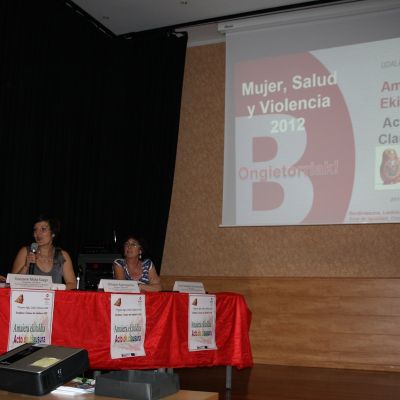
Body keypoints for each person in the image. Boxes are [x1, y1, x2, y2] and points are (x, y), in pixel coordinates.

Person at [11, 215, 77, 290]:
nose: (37, 234)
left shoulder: (62, 255)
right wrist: (26, 267)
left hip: (54, 300)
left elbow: (72, 285)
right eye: (35, 230)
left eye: (43, 229)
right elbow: (12, 283)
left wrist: (52, 288)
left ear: (53, 233)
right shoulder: (25, 252)